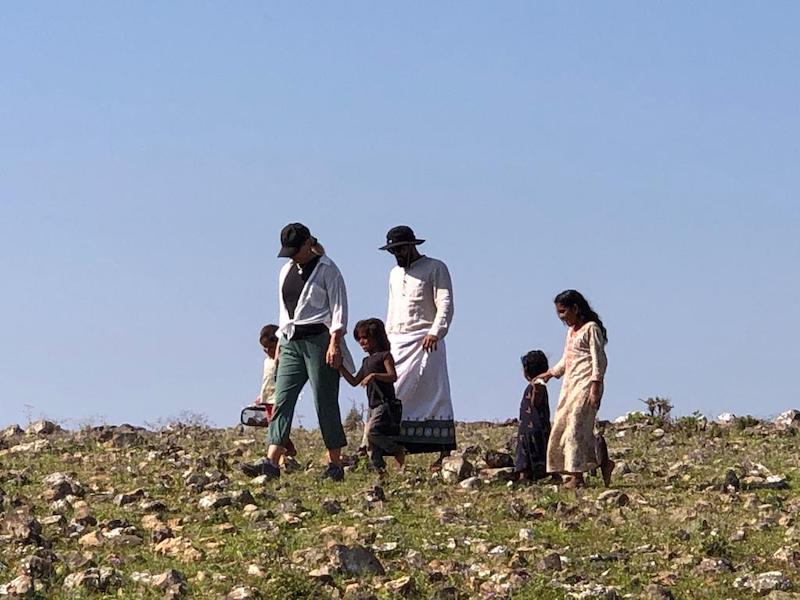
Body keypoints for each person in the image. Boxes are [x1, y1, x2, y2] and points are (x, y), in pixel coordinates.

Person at [241, 223, 353, 481]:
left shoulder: (328, 269)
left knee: (324, 401)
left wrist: (335, 341)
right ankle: (271, 461)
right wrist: (280, 340)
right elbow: (284, 309)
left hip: (319, 340)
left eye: (296, 250)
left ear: (307, 244)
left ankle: (334, 464)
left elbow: (339, 308)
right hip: (291, 340)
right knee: (282, 399)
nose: (292, 255)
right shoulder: (285, 271)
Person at [379, 225, 456, 468]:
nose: (397, 255)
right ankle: (392, 446)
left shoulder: (435, 267)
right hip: (398, 341)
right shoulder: (394, 274)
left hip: (426, 339)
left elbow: (445, 303)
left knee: (434, 392)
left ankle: (443, 451)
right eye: (393, 251)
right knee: (395, 392)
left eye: (400, 249)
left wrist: (435, 332)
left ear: (412, 246)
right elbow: (392, 309)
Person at [540, 290, 614, 489]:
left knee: (575, 427)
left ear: (575, 308)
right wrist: (550, 373)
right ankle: (602, 463)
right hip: (570, 386)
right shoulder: (571, 332)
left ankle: (577, 476)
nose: (562, 317)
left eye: (564, 312)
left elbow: (598, 359)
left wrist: (595, 386)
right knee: (566, 426)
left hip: (586, 385)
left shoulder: (591, 329)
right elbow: (567, 358)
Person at [340, 318, 405, 473]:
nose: (362, 342)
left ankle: (396, 449)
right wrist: (340, 367)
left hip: (384, 403)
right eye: (360, 339)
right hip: (372, 405)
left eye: (365, 338)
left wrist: (375, 376)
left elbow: (392, 376)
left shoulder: (384, 356)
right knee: (371, 445)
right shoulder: (366, 361)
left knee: (372, 432)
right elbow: (355, 381)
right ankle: (380, 472)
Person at [256, 324, 296, 458]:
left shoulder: (283, 361)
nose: (268, 351)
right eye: (265, 348)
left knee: (276, 422)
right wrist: (260, 396)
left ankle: (287, 448)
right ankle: (284, 447)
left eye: (271, 348)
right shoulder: (267, 361)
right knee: (272, 424)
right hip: (267, 397)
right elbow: (266, 381)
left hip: (277, 397)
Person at [515, 350, 551, 482]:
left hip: (532, 428)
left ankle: (528, 475)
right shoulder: (533, 387)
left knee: (529, 452)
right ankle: (527, 476)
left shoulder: (538, 387)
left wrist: (536, 389)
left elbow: (535, 402)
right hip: (532, 428)